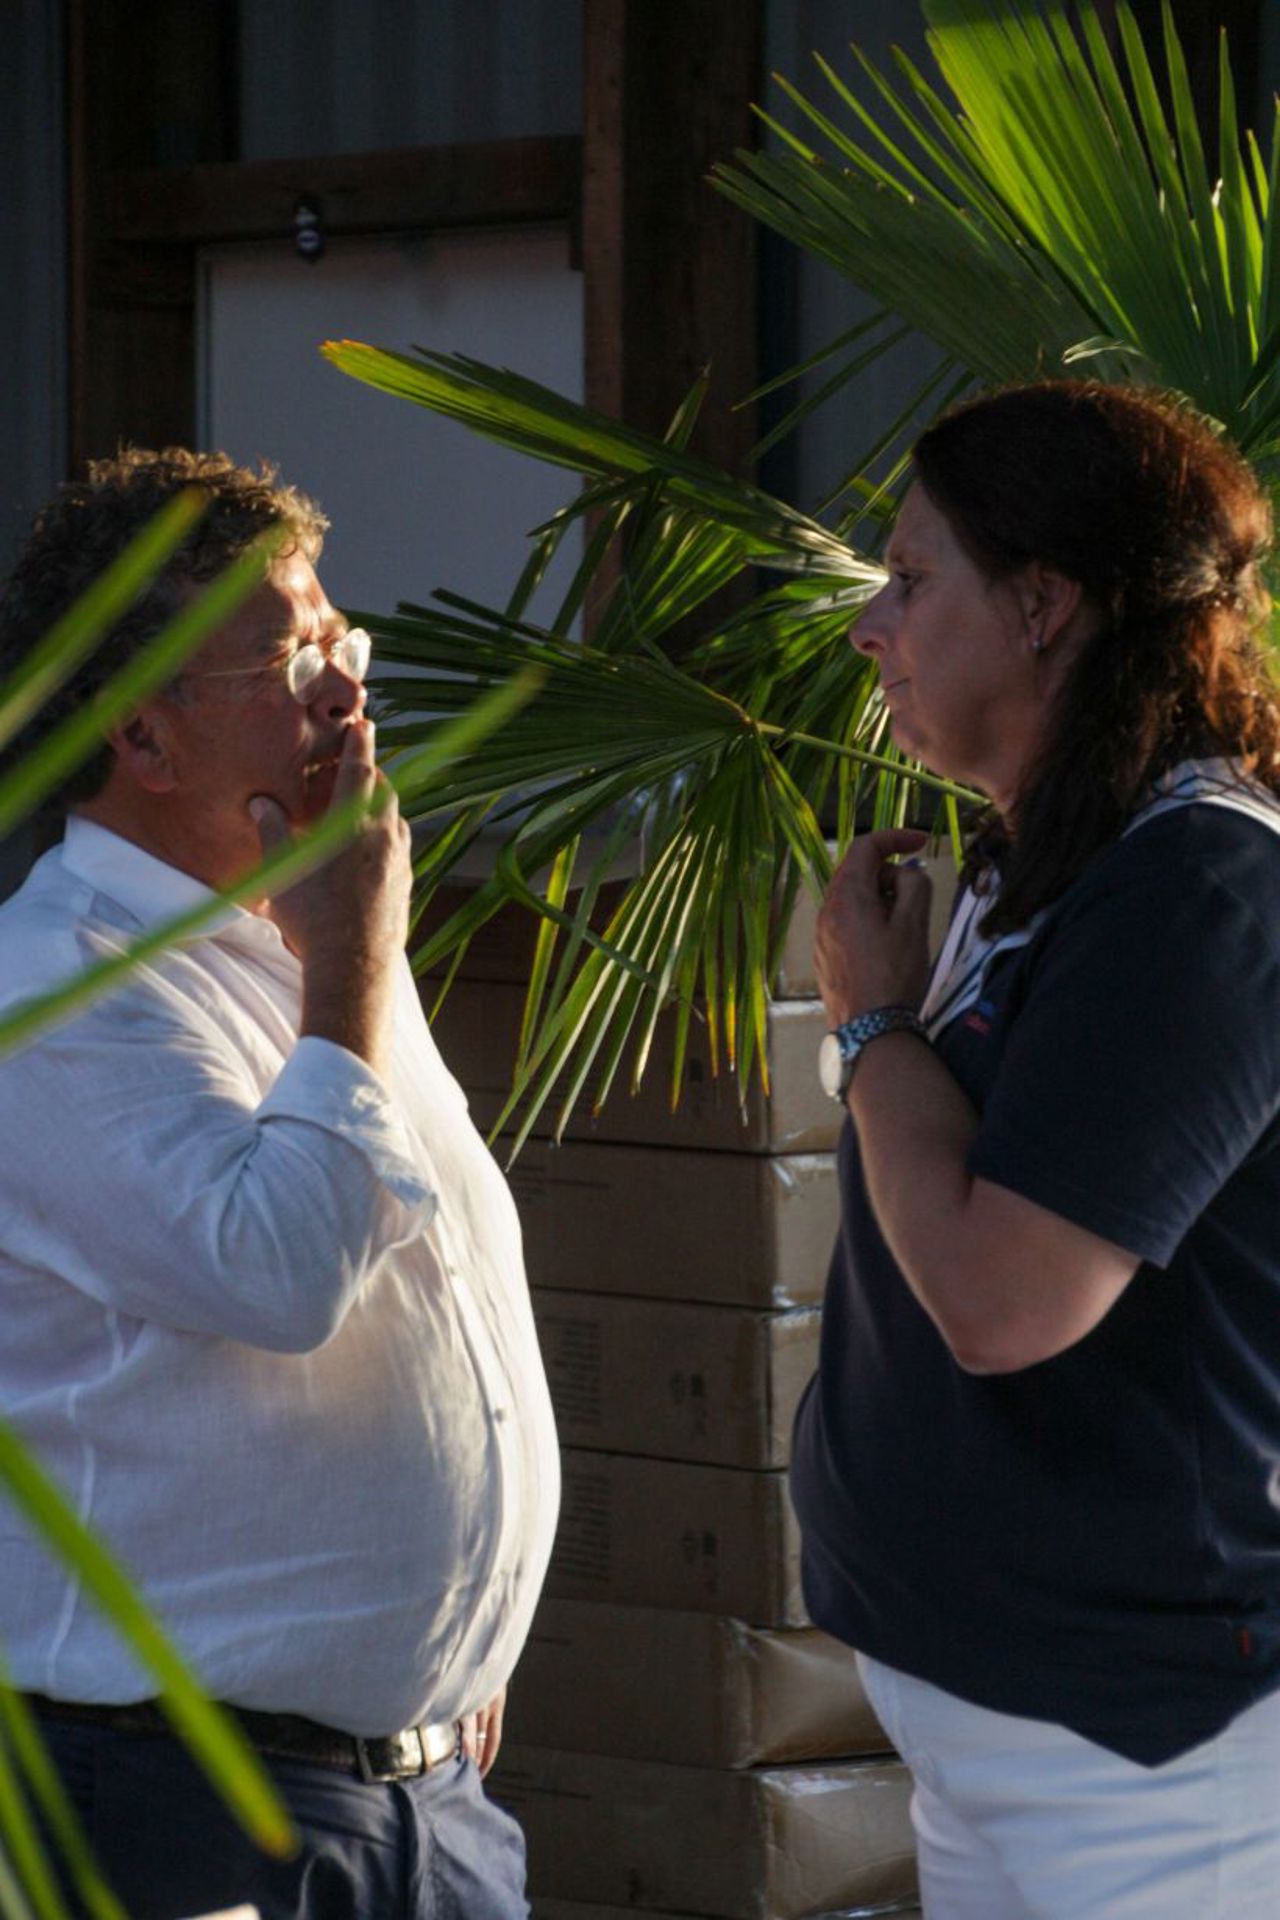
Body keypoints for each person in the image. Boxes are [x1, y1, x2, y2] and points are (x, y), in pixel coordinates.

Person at [0, 447, 560, 1920]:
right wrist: (357, 953)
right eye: (292, 659)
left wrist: (441, 1640)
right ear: (143, 732)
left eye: (340, 640)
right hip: (184, 1808)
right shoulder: (51, 989)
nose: (347, 692)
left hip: (426, 1801)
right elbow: (282, 1272)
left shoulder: (303, 938)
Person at [795, 381, 1280, 1919]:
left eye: (911, 578)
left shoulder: (1202, 891)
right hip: (998, 1714)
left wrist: (875, 1025)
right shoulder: (1053, 853)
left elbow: (1004, 1299)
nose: (871, 626)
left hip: (1148, 1758)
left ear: (1043, 605)